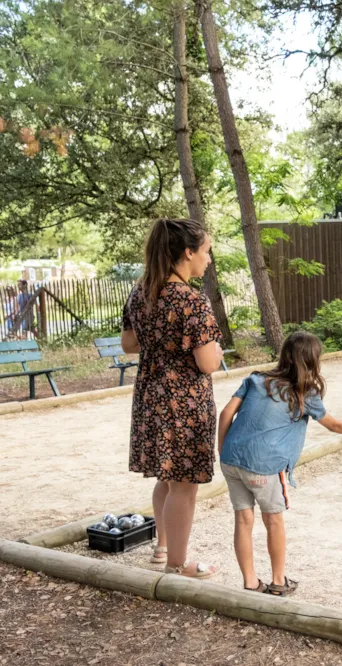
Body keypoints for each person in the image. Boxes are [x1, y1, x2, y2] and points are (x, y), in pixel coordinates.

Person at [217, 331, 342, 595]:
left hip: (231, 460)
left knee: (243, 519)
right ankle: (277, 581)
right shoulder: (305, 393)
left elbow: (226, 413)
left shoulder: (255, 379)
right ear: (312, 361)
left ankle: (250, 582)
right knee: (273, 520)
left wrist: (223, 450)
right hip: (264, 466)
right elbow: (331, 424)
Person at [121, 218, 225, 579]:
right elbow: (208, 363)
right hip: (184, 401)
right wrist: (217, 349)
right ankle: (177, 566)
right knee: (184, 483)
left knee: (166, 477)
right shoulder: (192, 300)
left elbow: (129, 344)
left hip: (151, 395)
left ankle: (162, 546)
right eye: (206, 251)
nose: (208, 260)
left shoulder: (141, 292)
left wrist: (160, 345)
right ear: (188, 252)